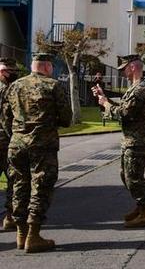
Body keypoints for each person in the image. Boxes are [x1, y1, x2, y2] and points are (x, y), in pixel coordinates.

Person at [1, 53, 71, 253]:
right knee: (40, 186)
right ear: (48, 67)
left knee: (18, 185)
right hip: (43, 145)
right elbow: (66, 118)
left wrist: (17, 134)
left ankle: (20, 233)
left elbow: (5, 119)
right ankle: (33, 234)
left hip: (16, 144)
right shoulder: (53, 86)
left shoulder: (14, 86)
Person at [93, 54, 145, 228]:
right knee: (126, 175)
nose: (122, 72)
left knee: (133, 177)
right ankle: (141, 206)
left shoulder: (140, 89)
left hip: (137, 140)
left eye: (124, 68)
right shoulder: (134, 87)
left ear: (133, 67)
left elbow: (124, 114)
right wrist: (105, 98)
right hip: (130, 140)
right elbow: (123, 109)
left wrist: (105, 103)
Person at [0, 57, 19, 231]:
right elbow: (7, 120)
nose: (12, 74)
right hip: (5, 143)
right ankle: (10, 217)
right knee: (13, 179)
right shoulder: (5, 90)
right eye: (10, 71)